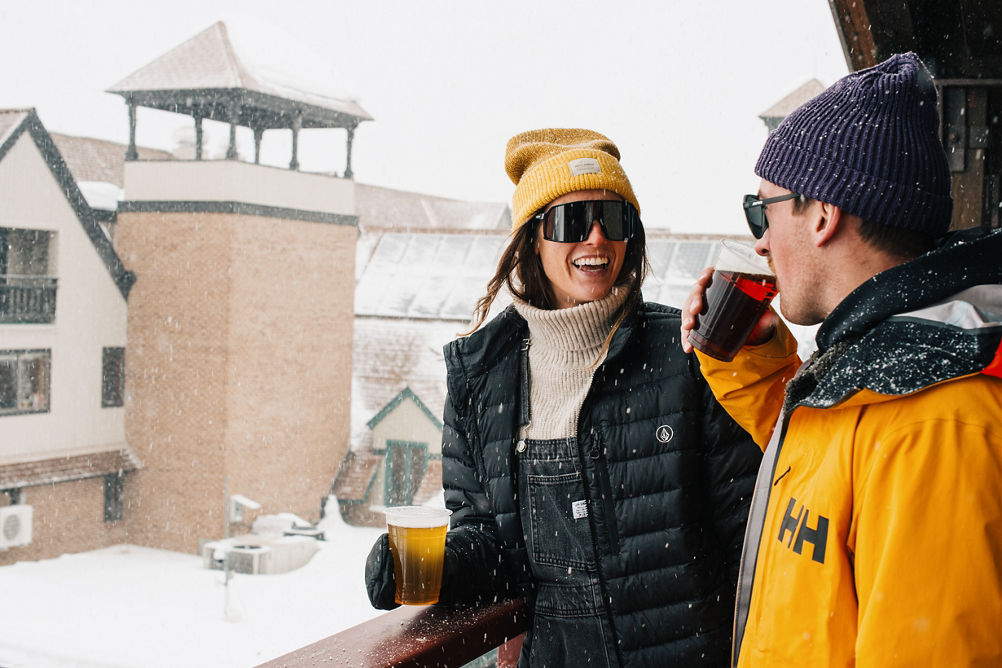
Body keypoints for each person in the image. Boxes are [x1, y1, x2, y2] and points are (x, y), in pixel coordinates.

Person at [365, 128, 763, 666]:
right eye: (572, 221)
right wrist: (430, 566)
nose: (597, 238)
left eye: (614, 218)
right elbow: (491, 541)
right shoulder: (483, 377)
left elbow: (751, 537)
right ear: (533, 238)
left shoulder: (686, 356)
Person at [680, 52, 1002, 667]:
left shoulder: (941, 421)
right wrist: (751, 358)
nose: (761, 241)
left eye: (764, 209)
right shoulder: (884, 368)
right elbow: (828, 471)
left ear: (824, 214)